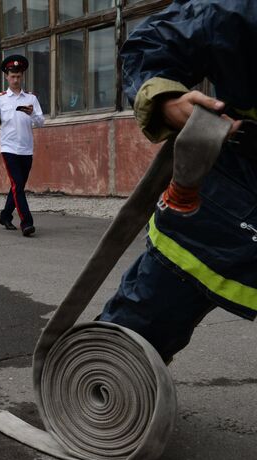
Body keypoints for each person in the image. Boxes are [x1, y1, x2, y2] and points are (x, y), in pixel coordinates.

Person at [99, 0, 252, 365]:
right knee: (134, 337)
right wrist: (167, 100)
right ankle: (108, 377)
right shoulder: (237, 9)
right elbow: (152, 43)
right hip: (234, 200)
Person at [0, 54, 45, 237]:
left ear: (22, 76)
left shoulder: (31, 98)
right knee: (17, 184)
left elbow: (41, 123)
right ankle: (26, 223)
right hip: (8, 148)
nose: (15, 79)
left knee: (18, 186)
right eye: (12, 76)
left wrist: (32, 114)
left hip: (26, 148)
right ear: (6, 77)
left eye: (18, 76)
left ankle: (5, 215)